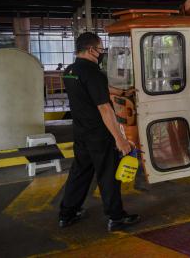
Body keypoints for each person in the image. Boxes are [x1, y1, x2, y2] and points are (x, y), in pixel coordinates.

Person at [59, 32, 139, 231]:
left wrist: (120, 92)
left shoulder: (70, 70)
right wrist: (120, 139)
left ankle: (67, 214)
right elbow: (105, 109)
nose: (102, 52)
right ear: (91, 50)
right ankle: (116, 217)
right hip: (99, 135)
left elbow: (93, 88)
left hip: (80, 132)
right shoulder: (93, 72)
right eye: (101, 49)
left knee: (80, 172)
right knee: (108, 175)